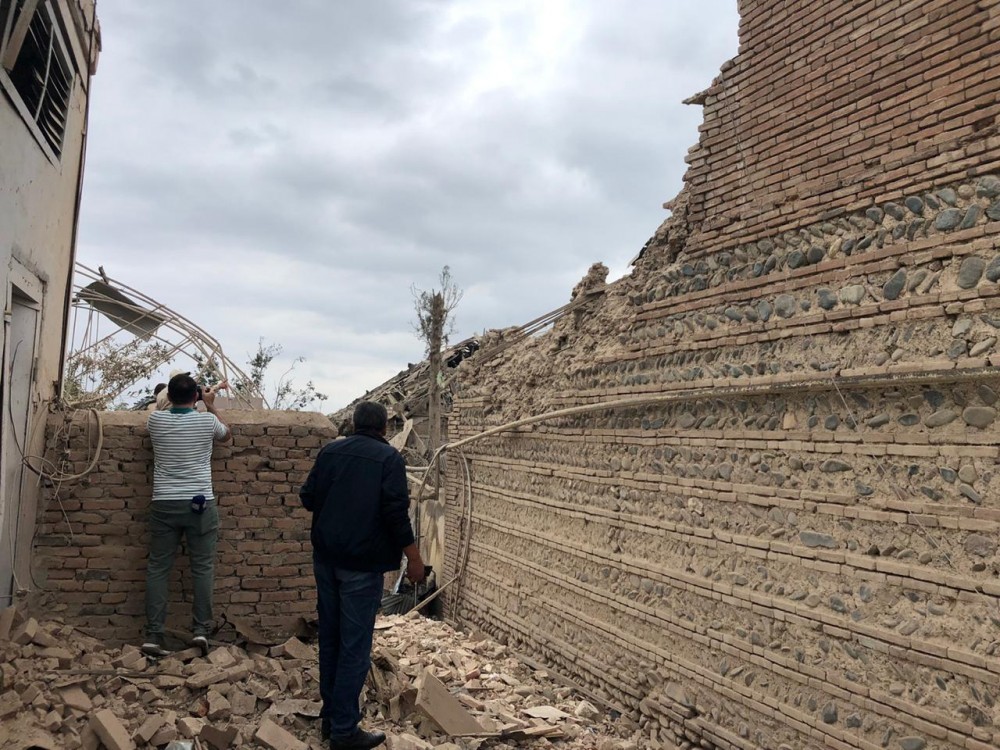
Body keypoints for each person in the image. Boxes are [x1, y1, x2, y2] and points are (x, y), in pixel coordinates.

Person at [300, 401, 425, 750]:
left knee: (331, 639)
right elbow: (396, 515)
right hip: (361, 566)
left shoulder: (330, 453)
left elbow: (307, 497)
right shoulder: (389, 461)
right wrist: (413, 558)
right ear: (384, 428)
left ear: (354, 424)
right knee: (354, 647)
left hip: (326, 560)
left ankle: (331, 720)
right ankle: (344, 731)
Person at [142, 372, 231, 658]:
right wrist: (211, 404)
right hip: (200, 503)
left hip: (164, 503)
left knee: (158, 568)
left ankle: (154, 635)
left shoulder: (155, 420)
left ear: (168, 396)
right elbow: (227, 435)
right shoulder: (206, 421)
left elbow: (163, 410)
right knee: (202, 568)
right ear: (196, 396)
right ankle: (201, 630)